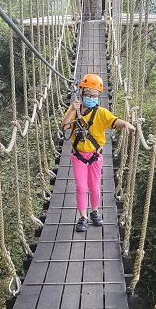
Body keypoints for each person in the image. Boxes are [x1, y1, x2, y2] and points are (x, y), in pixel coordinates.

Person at [60, 73, 135, 232]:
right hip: (78, 155)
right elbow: (64, 125)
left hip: (95, 155)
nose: (91, 98)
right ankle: (83, 217)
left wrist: (126, 123)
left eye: (95, 95)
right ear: (82, 94)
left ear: (99, 96)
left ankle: (94, 211)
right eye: (88, 95)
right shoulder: (75, 110)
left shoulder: (101, 112)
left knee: (94, 186)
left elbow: (114, 121)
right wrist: (72, 110)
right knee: (81, 187)